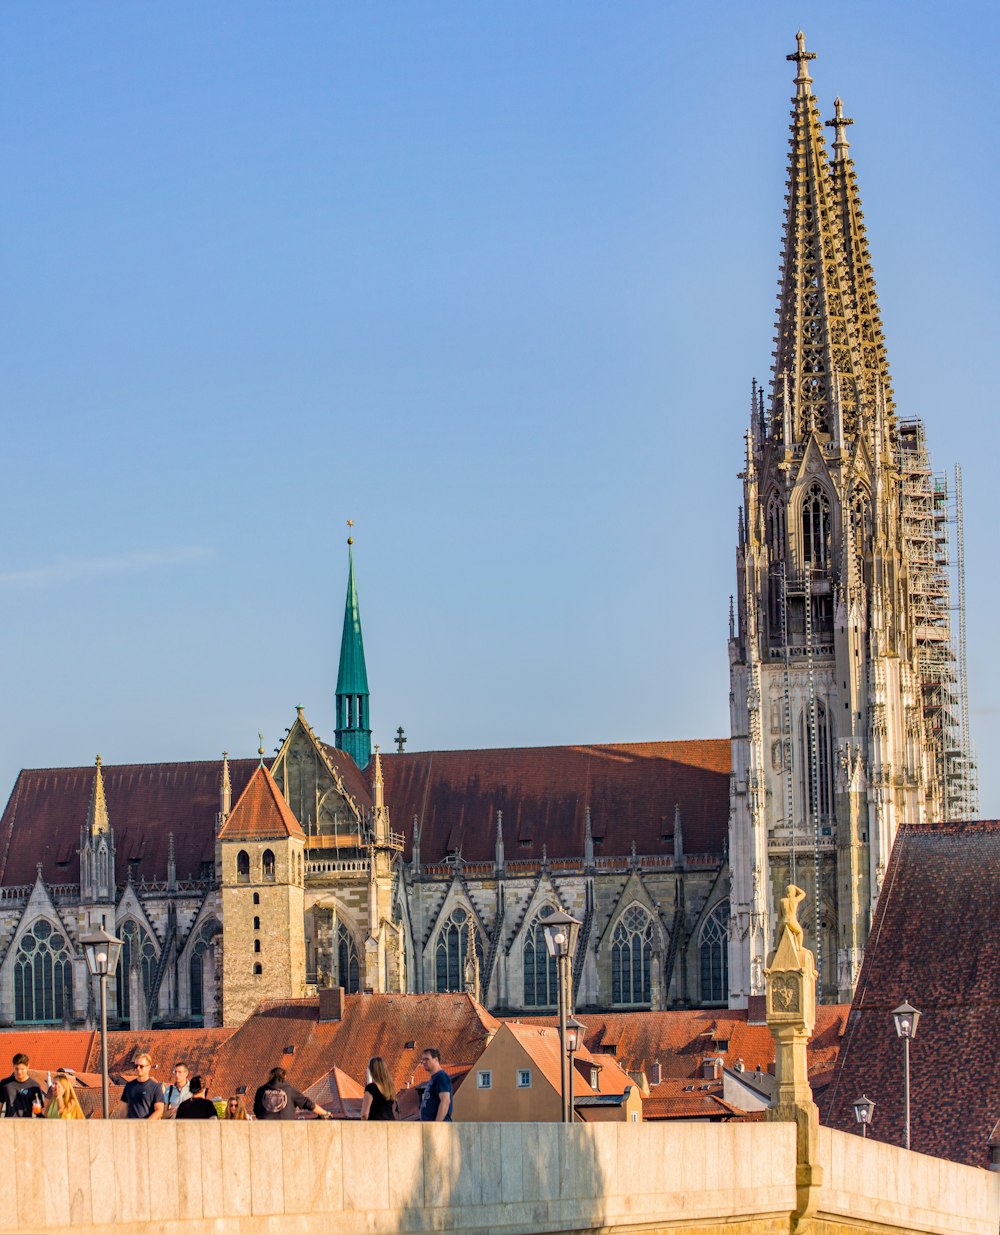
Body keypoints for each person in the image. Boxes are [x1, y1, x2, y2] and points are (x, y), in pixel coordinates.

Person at [252, 1066, 333, 1121]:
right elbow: (308, 1104)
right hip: (286, 1130)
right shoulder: (290, 1091)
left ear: (270, 1077)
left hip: (264, 1130)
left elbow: (256, 1111)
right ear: (285, 1077)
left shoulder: (261, 1091)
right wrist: (325, 1113)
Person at [121, 1054, 165, 1120]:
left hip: (148, 1127)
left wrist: (145, 1124)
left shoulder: (155, 1087)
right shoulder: (129, 1086)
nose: (138, 1068)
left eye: (141, 1066)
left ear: (149, 1067)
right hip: (131, 1127)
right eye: (136, 1066)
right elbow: (123, 1111)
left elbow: (159, 1111)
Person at [0, 1053, 45, 1118]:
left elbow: (39, 1112)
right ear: (13, 1067)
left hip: (26, 1124)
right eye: (17, 1069)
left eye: (22, 1069)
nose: (19, 1072)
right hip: (8, 1123)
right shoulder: (5, 1084)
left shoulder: (34, 1086)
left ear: (27, 1067)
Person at [418, 1048, 452, 1122]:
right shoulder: (434, 1078)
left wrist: (436, 1124)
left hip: (438, 1128)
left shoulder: (441, 1077)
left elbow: (445, 1101)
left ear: (435, 1060)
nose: (424, 1062)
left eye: (427, 1059)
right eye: (422, 1060)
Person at [360, 1056, 396, 1121]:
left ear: (372, 1071)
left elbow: (364, 1114)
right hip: (390, 1124)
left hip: (376, 1125)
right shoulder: (390, 1088)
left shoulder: (371, 1088)